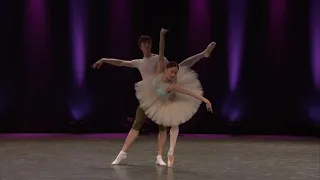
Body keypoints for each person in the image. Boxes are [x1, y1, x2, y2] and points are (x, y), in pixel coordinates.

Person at [92, 33, 216, 166]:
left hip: (162, 94)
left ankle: (159, 156)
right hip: (150, 96)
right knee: (137, 124)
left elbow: (177, 67)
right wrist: (104, 59)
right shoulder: (138, 62)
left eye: (149, 43)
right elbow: (121, 62)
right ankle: (122, 154)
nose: (147, 46)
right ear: (140, 47)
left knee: (163, 127)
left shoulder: (159, 59)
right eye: (144, 44)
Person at [134, 28, 213, 167]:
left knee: (175, 121)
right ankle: (203, 54)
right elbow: (162, 53)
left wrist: (205, 100)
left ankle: (170, 152)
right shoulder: (159, 73)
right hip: (159, 98)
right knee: (181, 66)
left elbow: (189, 92)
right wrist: (161, 35)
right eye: (171, 72)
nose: (173, 74)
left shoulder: (171, 79)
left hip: (169, 95)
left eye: (173, 72)